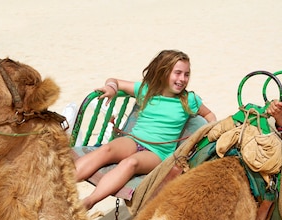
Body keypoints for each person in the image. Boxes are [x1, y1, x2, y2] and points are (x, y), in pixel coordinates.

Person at [74, 50, 216, 210]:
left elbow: (209, 114)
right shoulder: (146, 90)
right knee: (106, 149)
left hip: (157, 152)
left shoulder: (189, 100)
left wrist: (209, 128)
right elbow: (115, 81)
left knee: (130, 163)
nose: (182, 79)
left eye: (186, 74)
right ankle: (63, 184)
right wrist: (112, 88)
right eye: (177, 73)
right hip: (134, 140)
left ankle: (90, 201)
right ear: (163, 71)